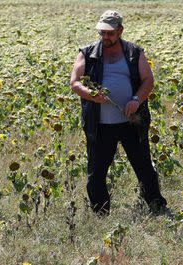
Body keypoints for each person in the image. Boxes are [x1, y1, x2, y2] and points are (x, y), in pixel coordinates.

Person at [70, 10, 167, 216]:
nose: (105, 37)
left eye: (110, 33)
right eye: (102, 33)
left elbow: (148, 80)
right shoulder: (87, 53)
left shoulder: (134, 52)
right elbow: (75, 82)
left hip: (131, 122)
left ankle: (157, 207)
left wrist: (136, 100)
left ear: (120, 30)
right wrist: (91, 94)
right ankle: (101, 213)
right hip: (100, 125)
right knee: (96, 174)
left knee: (144, 168)